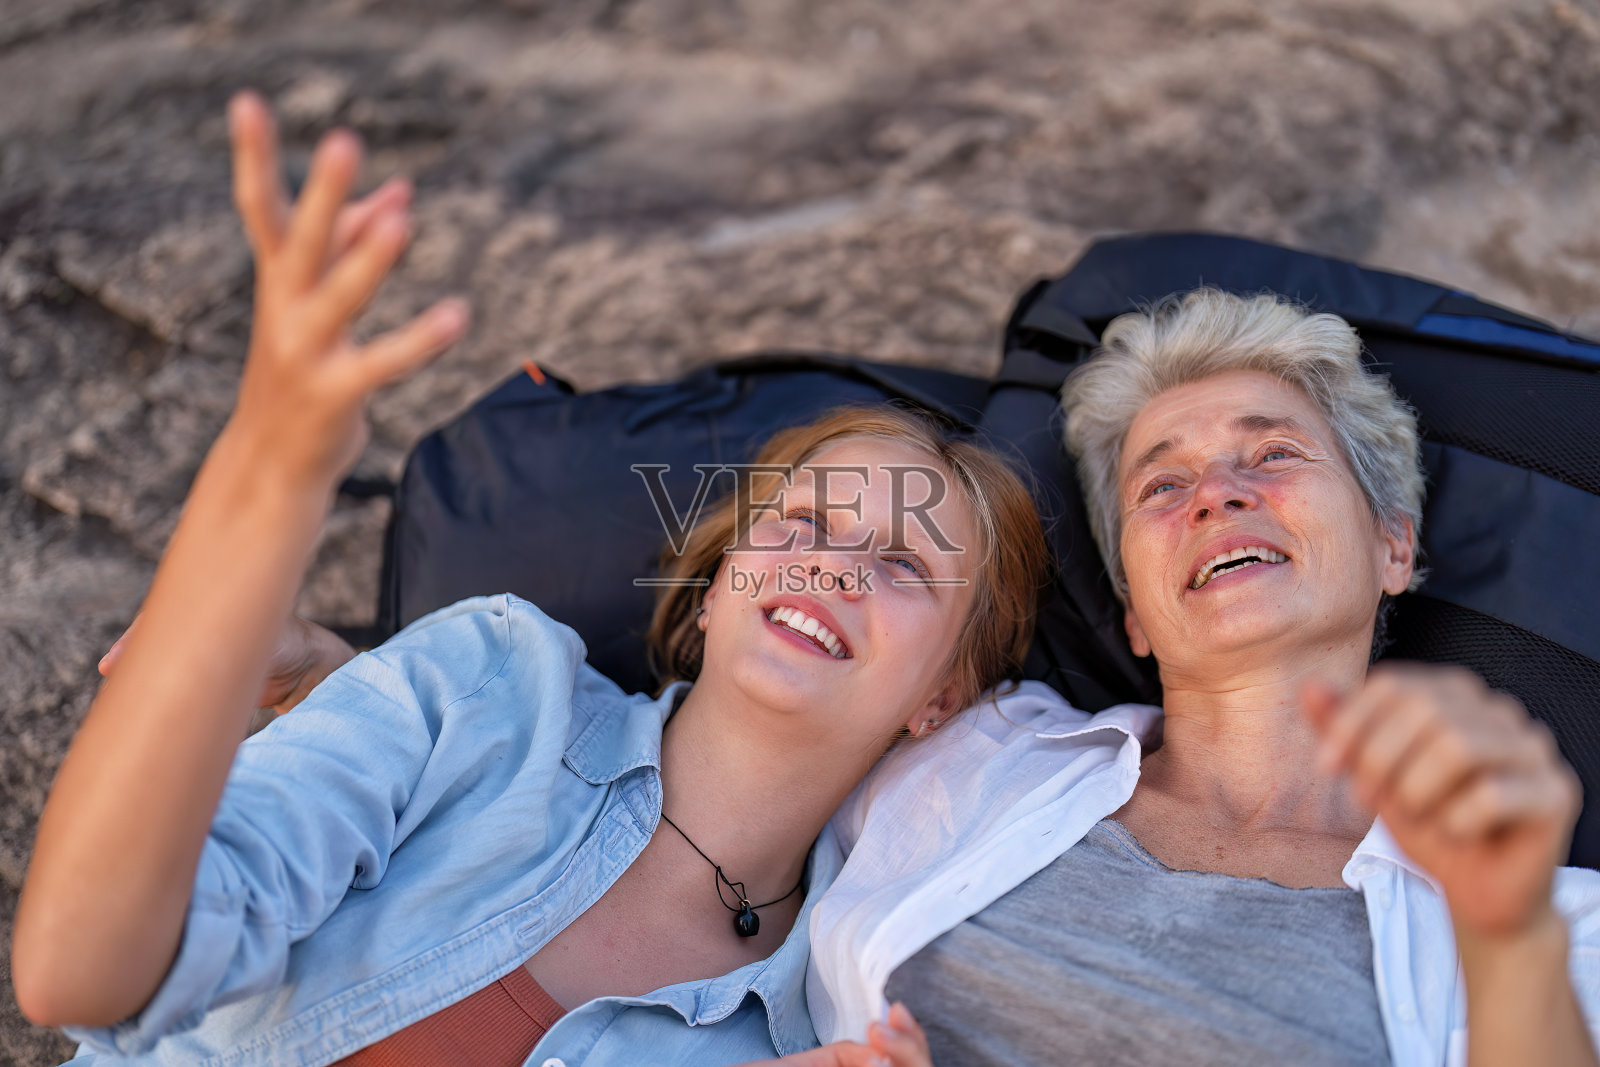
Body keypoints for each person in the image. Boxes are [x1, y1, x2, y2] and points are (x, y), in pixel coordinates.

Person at [10, 92, 1049, 1067]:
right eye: (804, 521)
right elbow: (87, 970)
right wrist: (268, 479)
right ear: (716, 577)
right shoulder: (483, 689)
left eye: (905, 560)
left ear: (942, 695)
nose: (830, 562)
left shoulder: (811, 1024)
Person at [806, 288, 1600, 1066]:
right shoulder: (964, 755)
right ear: (1135, 618)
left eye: (1273, 454)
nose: (1218, 494)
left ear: (1393, 543)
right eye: (1163, 484)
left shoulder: (1558, 928)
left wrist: (1514, 939)